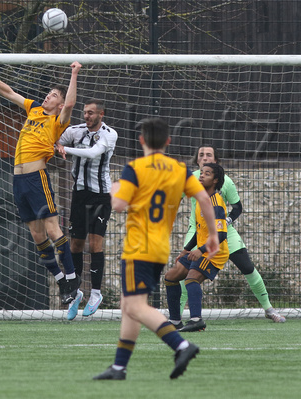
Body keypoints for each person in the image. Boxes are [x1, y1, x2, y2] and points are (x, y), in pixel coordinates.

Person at [93, 118, 219, 381]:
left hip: (138, 248)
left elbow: (118, 204)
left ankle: (182, 345)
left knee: (136, 307)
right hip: (160, 249)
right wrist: (213, 236)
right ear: (168, 142)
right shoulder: (180, 169)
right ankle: (119, 367)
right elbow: (204, 199)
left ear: (141, 141)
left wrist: (115, 188)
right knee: (130, 306)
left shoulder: (136, 168)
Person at [0, 62, 82, 305]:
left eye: (53, 95)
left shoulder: (58, 120)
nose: (47, 96)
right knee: (36, 235)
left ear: (60, 105)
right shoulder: (33, 108)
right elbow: (9, 92)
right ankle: (62, 281)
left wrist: (74, 73)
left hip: (36, 178)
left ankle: (73, 279)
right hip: (19, 180)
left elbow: (72, 103)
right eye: (49, 93)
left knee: (53, 229)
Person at [179, 145, 286, 323]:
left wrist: (227, 221)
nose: (205, 157)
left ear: (215, 160)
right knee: (183, 273)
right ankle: (176, 317)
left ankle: (269, 309)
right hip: (197, 233)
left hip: (224, 232)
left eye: (209, 155)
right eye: (201, 155)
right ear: (197, 160)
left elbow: (237, 207)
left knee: (248, 268)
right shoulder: (189, 181)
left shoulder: (225, 182)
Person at [56, 99, 118, 320]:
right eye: (84, 113)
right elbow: (55, 139)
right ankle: (75, 292)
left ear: (102, 113)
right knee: (75, 244)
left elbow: (93, 153)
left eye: (91, 113)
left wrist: (65, 149)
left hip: (101, 196)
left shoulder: (110, 134)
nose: (87, 116)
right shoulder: (75, 131)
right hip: (79, 195)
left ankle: (96, 294)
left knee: (95, 244)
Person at [164, 163, 229, 332]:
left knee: (191, 279)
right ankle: (175, 321)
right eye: (201, 173)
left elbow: (221, 235)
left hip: (215, 253)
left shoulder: (215, 203)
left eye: (207, 174)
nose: (201, 176)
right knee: (171, 277)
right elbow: (200, 230)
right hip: (201, 249)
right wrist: (186, 249)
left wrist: (200, 250)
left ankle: (196, 320)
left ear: (215, 180)